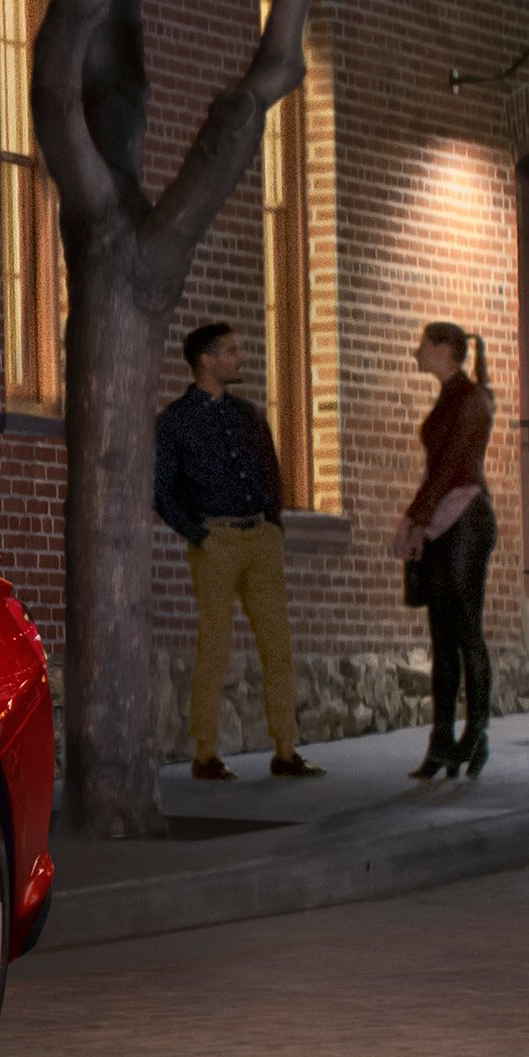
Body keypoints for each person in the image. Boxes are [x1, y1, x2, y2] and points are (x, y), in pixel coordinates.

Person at [153, 322, 322, 780]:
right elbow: (162, 491)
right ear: (206, 359)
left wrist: (274, 526)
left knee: (277, 642)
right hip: (216, 540)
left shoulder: (248, 415)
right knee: (216, 644)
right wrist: (198, 534)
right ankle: (205, 752)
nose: (239, 358)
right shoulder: (176, 421)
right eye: (230, 351)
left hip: (259, 537)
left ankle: (285, 749)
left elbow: (271, 472)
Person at [395, 320, 497, 778]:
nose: (416, 352)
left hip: (466, 521)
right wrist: (420, 517)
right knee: (442, 637)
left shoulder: (471, 399)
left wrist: (416, 516)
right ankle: (441, 742)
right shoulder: (451, 397)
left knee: (466, 631)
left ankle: (475, 735)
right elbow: (440, 467)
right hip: (444, 522)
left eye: (423, 345)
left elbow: (454, 463)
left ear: (443, 350)